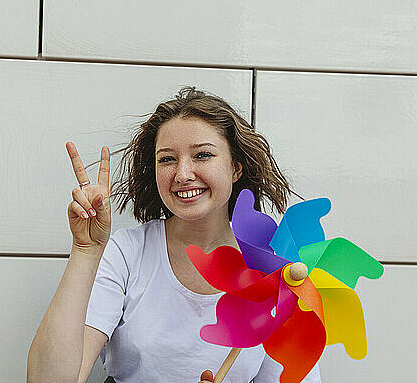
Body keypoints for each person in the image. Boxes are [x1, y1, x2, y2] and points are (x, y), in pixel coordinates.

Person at [27, 87, 321, 383]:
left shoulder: (282, 273)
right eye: (167, 159)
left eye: (202, 155)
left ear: (236, 167)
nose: (182, 174)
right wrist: (85, 250)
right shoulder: (127, 253)